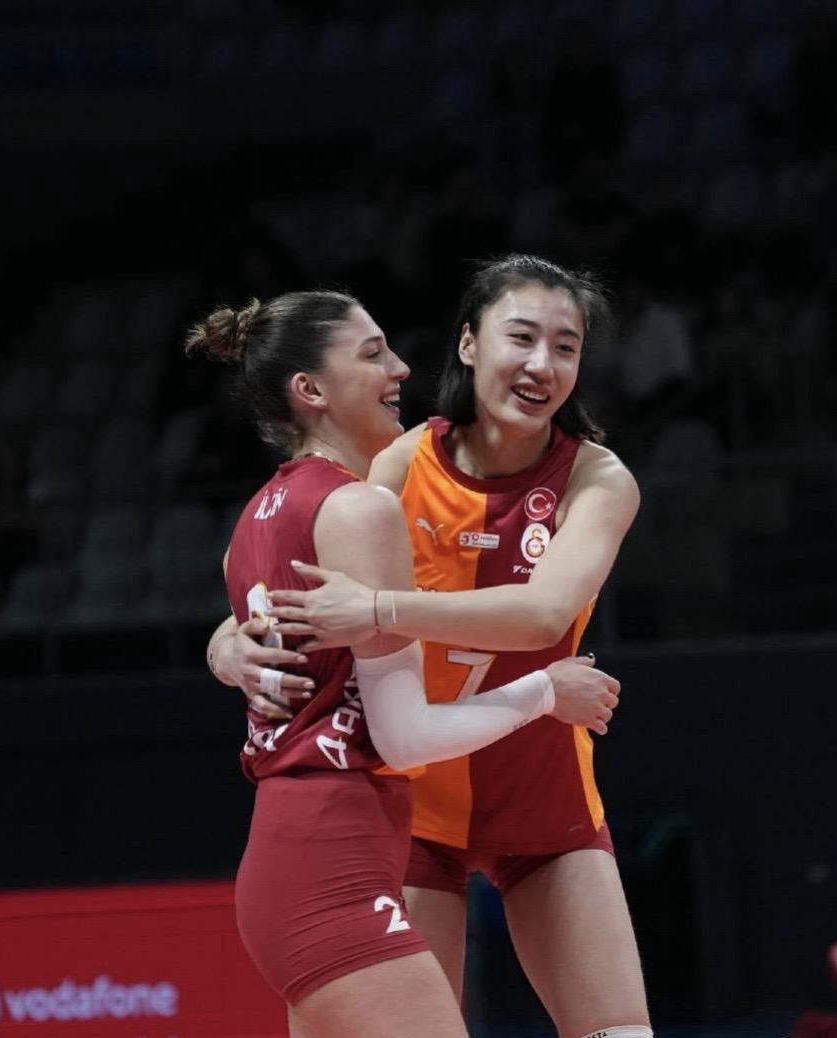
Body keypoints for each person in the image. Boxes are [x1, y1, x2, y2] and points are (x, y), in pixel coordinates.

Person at [210, 256, 653, 1038]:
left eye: (566, 347)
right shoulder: (396, 462)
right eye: (522, 337)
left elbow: (544, 614)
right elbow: (289, 567)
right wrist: (228, 647)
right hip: (415, 807)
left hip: (541, 796)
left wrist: (379, 608)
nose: (543, 364)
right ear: (470, 344)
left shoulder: (598, 477)